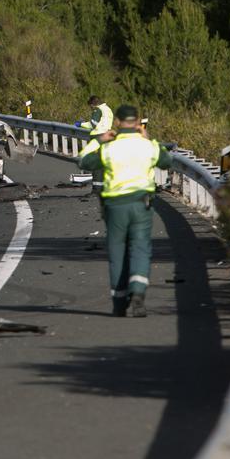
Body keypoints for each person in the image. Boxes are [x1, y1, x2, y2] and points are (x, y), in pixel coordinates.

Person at [78, 104, 172, 318]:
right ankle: (138, 292)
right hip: (142, 204)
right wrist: (148, 138)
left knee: (117, 252)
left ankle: (119, 303)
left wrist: (99, 139)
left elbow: (84, 161)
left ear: (117, 123)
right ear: (138, 122)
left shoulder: (109, 148)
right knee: (140, 248)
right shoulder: (148, 146)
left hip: (115, 206)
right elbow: (167, 161)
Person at [77, 96, 114, 196]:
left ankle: (96, 190)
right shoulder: (108, 109)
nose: (91, 108)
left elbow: (93, 124)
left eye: (90, 107)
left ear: (93, 104)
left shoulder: (97, 110)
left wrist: (80, 124)